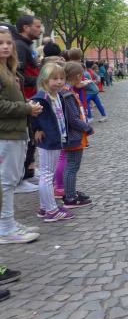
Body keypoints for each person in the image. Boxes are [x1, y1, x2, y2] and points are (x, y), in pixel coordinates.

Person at [0, 26, 43, 244]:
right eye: (0, 43)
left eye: (8, 42)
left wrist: (26, 106)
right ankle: (5, 229)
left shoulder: (8, 69)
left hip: (15, 131)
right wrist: (26, 108)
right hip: (5, 134)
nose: (6, 46)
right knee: (6, 183)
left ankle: (8, 222)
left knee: (11, 180)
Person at [31, 63, 75, 222]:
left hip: (57, 137)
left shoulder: (57, 95)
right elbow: (32, 115)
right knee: (47, 175)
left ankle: (45, 206)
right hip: (48, 140)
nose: (59, 81)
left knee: (47, 173)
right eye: (54, 78)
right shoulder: (41, 97)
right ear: (45, 80)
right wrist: (36, 129)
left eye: (62, 78)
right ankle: (51, 210)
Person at [14, 15, 42, 190]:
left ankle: (28, 171)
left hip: (32, 97)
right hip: (26, 98)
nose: (40, 29)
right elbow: (19, 74)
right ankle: (21, 177)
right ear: (26, 27)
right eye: (37, 26)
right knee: (29, 138)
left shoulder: (27, 45)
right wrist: (40, 80)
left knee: (32, 137)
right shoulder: (19, 45)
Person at [61, 62, 93, 208]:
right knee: (72, 166)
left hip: (73, 134)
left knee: (71, 165)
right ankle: (70, 197)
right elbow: (73, 119)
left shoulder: (66, 90)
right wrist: (87, 128)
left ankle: (70, 191)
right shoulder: (67, 94)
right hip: (73, 135)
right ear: (78, 76)